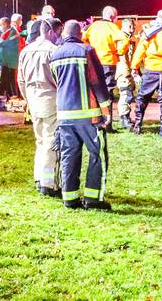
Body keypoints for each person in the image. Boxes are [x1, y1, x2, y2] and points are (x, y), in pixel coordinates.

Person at [48, 20, 114, 210]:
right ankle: (93, 199)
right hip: (89, 116)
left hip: (64, 115)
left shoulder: (55, 54)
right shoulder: (86, 50)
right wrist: (106, 109)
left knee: (69, 155)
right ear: (80, 33)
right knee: (97, 156)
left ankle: (69, 198)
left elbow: (56, 81)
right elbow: (97, 81)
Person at [18, 17, 62, 197]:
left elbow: (21, 80)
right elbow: (60, 79)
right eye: (57, 33)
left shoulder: (26, 51)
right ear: (50, 32)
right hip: (51, 99)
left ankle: (38, 178)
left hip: (33, 99)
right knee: (51, 142)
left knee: (40, 141)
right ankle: (48, 183)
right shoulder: (54, 51)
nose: (59, 37)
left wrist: (27, 98)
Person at [130, 11, 162, 136]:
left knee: (143, 97)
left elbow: (140, 52)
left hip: (151, 71)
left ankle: (138, 125)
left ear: (157, 18)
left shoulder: (149, 33)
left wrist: (134, 67)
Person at [82, 6, 127, 132]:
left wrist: (89, 51)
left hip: (93, 62)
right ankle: (107, 124)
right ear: (113, 17)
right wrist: (118, 52)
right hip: (108, 62)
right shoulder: (113, 27)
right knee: (107, 94)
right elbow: (125, 40)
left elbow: (83, 38)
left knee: (94, 93)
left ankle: (95, 122)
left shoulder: (93, 26)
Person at [113, 18, 138, 131]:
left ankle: (126, 116)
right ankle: (124, 118)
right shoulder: (121, 38)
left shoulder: (128, 38)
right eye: (129, 27)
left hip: (127, 71)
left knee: (129, 94)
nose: (132, 29)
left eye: (133, 27)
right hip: (123, 71)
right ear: (123, 26)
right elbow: (121, 56)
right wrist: (127, 72)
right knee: (125, 94)